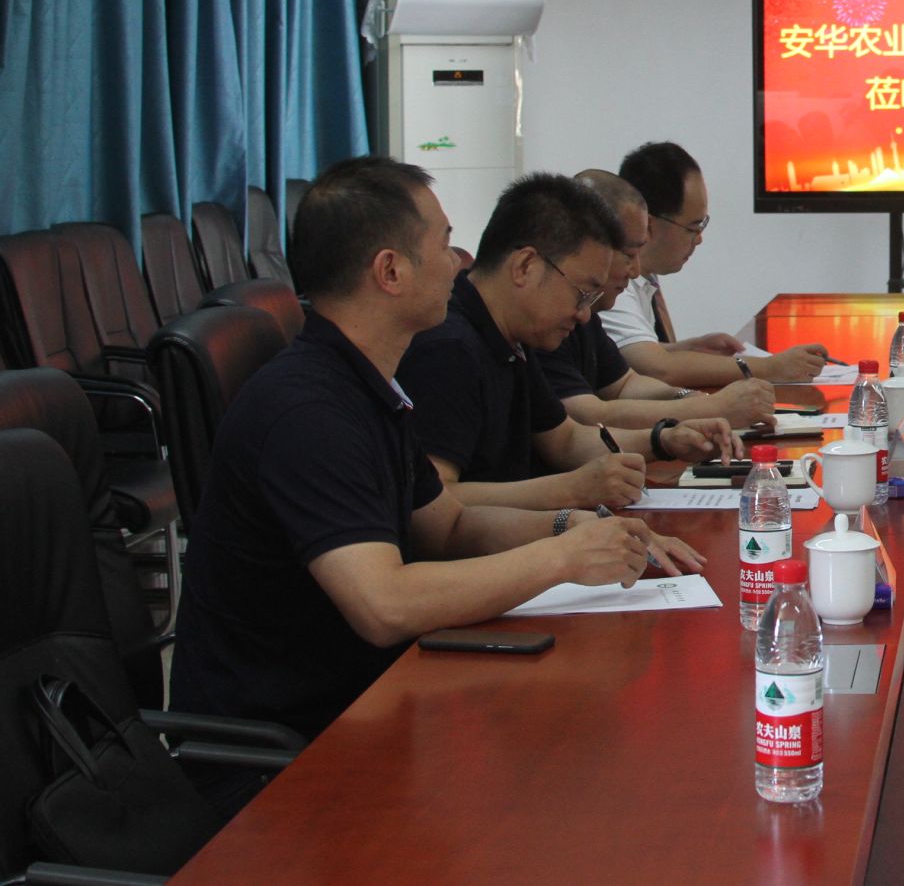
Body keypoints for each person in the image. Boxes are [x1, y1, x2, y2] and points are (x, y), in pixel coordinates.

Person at [171, 157, 704, 781]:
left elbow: (447, 525)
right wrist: (561, 558)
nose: (457, 263)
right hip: (289, 753)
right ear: (390, 271)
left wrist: (575, 527)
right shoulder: (308, 411)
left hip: (371, 701)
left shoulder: (369, 384)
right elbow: (385, 605)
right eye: (444, 245)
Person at [400, 173, 739, 513]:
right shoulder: (448, 349)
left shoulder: (513, 335)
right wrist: (570, 491)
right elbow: (434, 500)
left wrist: (665, 440)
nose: (584, 315)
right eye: (582, 294)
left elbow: (566, 439)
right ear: (525, 266)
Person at [606, 141, 825, 414]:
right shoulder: (611, 282)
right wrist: (772, 367)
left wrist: (688, 348)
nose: (699, 239)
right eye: (693, 227)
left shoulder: (644, 278)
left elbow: (630, 357)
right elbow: (658, 369)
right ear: (648, 224)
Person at [535, 169, 740, 435]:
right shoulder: (542, 318)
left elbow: (625, 384)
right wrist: (712, 408)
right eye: (629, 255)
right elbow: (587, 418)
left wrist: (687, 398)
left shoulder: (586, 311)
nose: (635, 271)